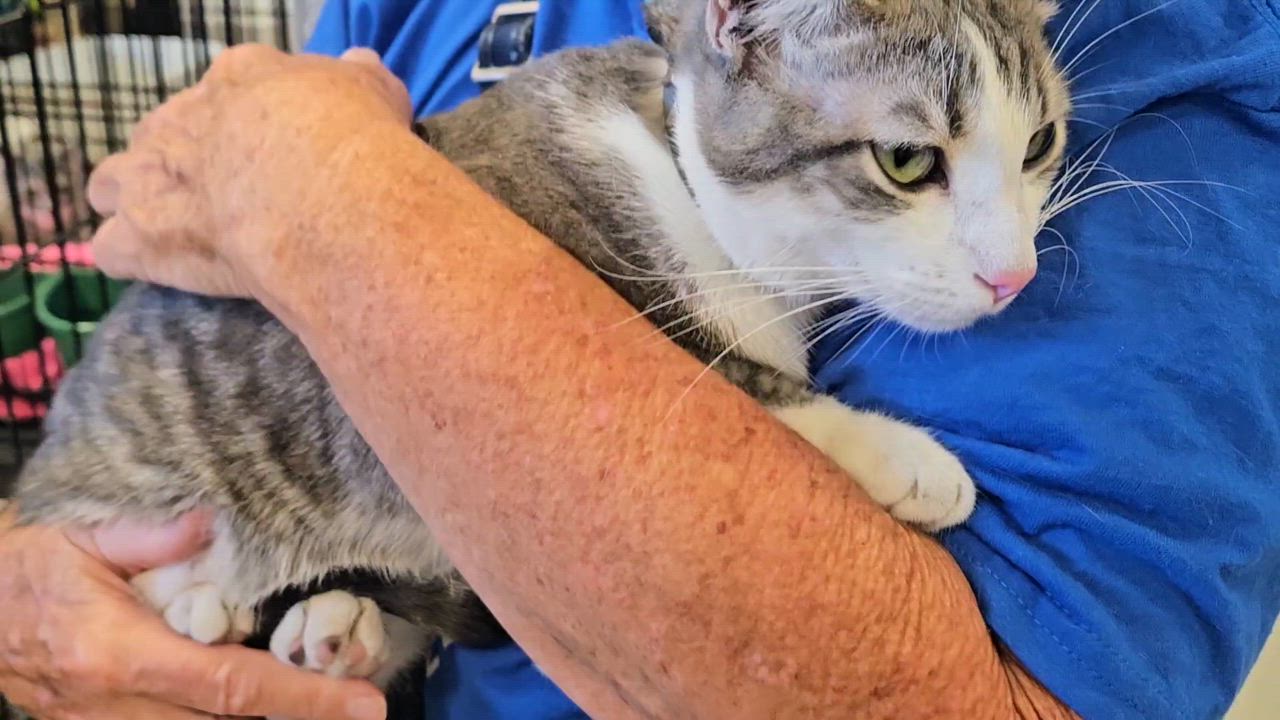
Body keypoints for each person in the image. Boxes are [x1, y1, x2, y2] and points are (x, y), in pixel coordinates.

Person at [2, 1, 1279, 718]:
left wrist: (313, 186)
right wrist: (28, 589)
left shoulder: (1180, 56)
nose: (1019, 265)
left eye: (1040, 155)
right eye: (909, 162)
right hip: (194, 519)